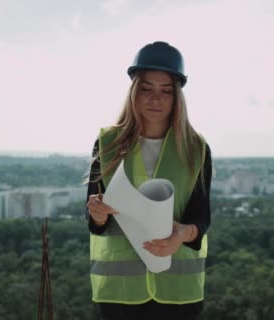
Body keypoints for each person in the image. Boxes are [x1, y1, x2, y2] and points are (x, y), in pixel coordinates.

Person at [85, 41, 212, 320]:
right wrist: (96, 213)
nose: (156, 98)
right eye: (147, 89)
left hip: (177, 292)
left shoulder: (196, 148)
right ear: (134, 91)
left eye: (166, 90)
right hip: (119, 293)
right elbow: (96, 224)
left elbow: (201, 218)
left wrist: (181, 234)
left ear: (177, 96)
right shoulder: (107, 143)